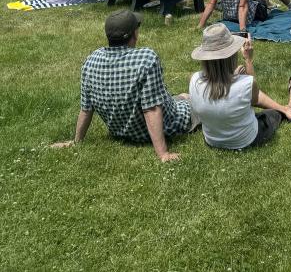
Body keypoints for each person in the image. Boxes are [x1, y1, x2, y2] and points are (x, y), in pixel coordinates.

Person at [50, 10, 198, 162]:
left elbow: (86, 109)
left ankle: (183, 98)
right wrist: (163, 153)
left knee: (182, 96)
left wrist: (77, 141)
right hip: (162, 126)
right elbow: (151, 109)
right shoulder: (146, 58)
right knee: (195, 101)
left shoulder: (91, 60)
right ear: (134, 34)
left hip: (121, 132)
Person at [188, 23, 291, 150]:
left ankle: (287, 109)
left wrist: (233, 75)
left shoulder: (194, 79)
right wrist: (248, 60)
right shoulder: (245, 83)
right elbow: (255, 99)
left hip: (212, 140)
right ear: (231, 55)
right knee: (272, 114)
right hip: (245, 140)